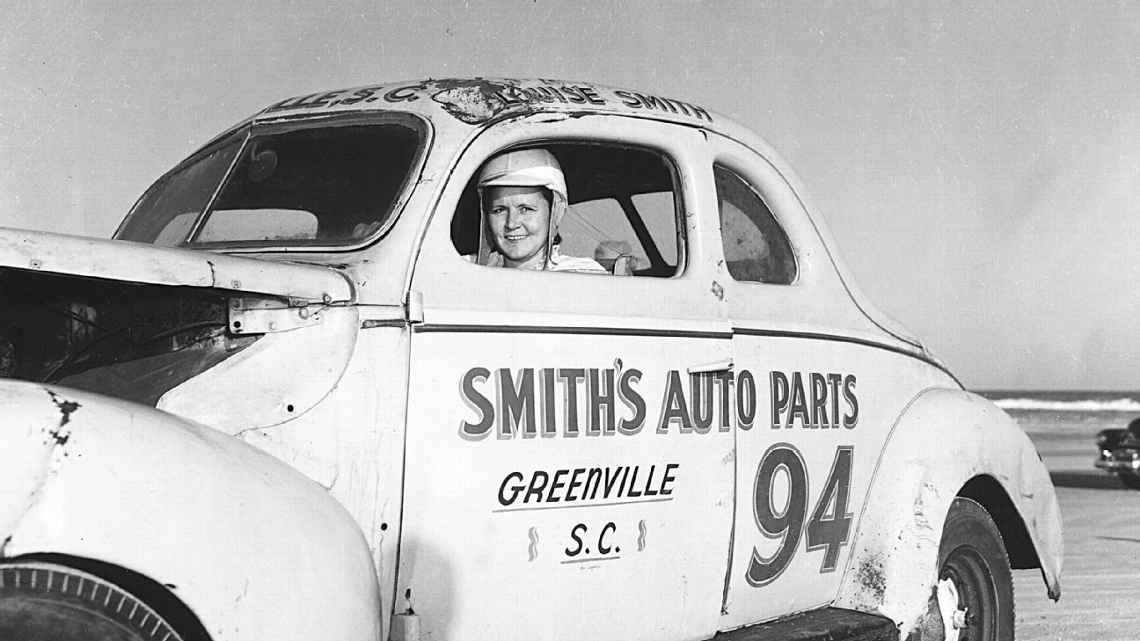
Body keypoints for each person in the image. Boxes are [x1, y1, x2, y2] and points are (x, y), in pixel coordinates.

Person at [469, 148, 607, 273]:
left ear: (555, 214)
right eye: (499, 210)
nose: (511, 224)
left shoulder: (584, 275)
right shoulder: (466, 269)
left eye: (525, 209)